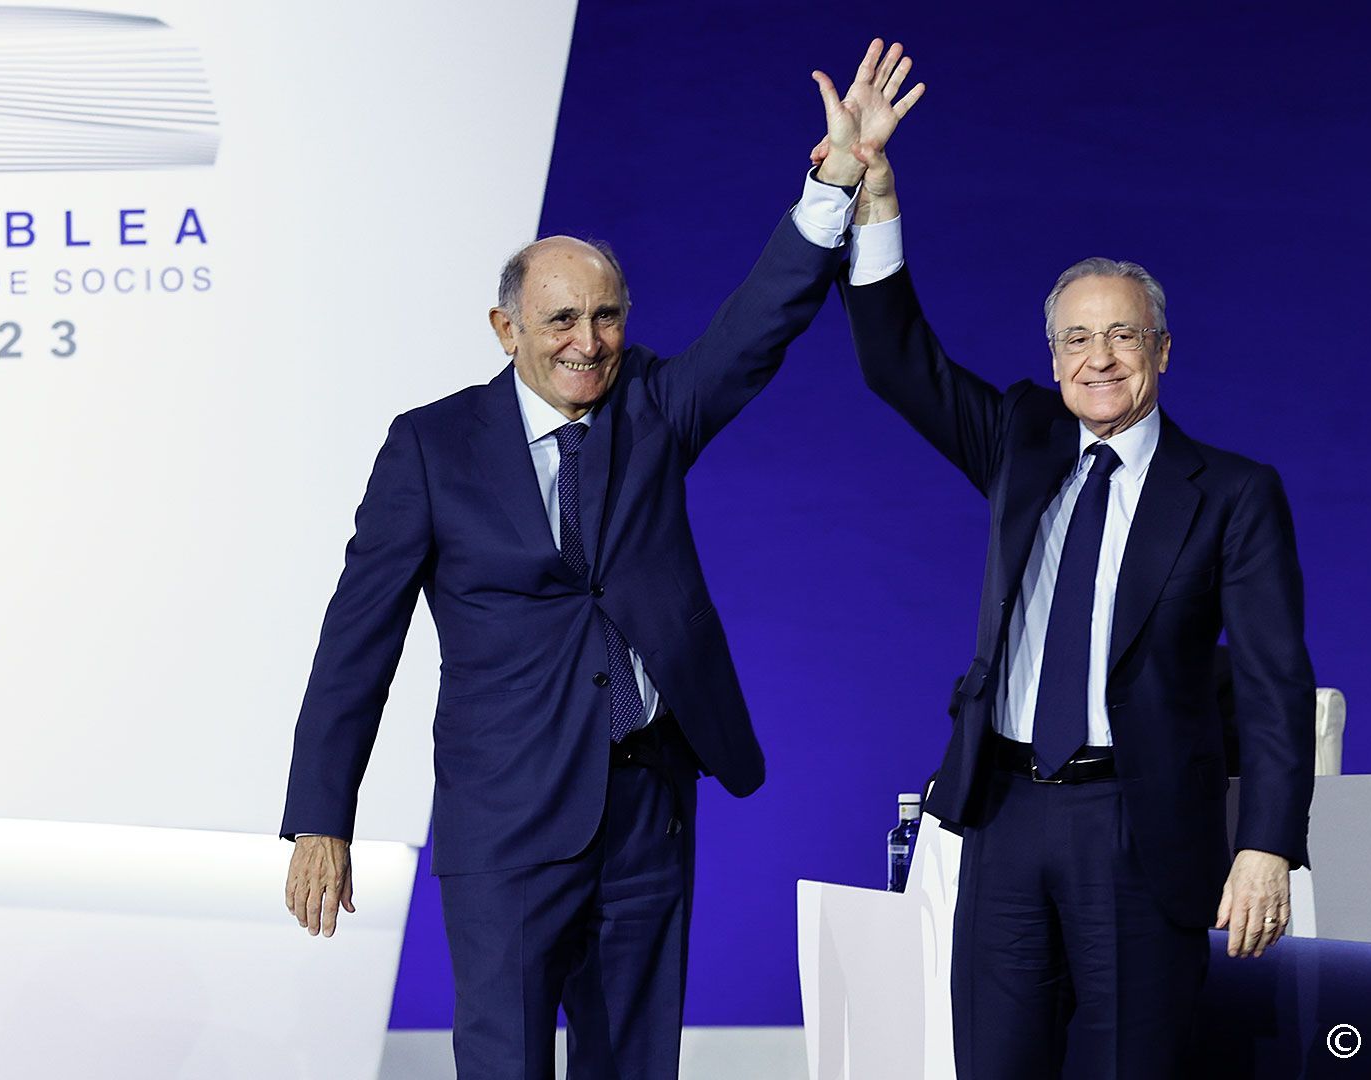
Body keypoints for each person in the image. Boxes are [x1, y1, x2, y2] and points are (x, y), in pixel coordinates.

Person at [278, 42, 923, 1080]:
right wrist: (322, 815)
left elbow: (754, 329)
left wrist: (836, 181)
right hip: (507, 821)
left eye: (607, 314)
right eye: (562, 318)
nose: (589, 340)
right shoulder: (431, 450)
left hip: (646, 809)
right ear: (506, 329)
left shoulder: (652, 407)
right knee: (505, 1063)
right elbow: (358, 641)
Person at [827, 136, 1315, 1076]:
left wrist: (1265, 844)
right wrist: (876, 197)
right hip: (1006, 813)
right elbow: (897, 364)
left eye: (1123, 336)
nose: (1100, 359)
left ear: (1162, 350)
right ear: (1053, 357)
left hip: (1140, 824)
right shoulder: (1023, 439)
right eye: (1077, 339)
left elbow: (1274, 685)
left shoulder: (1230, 493)